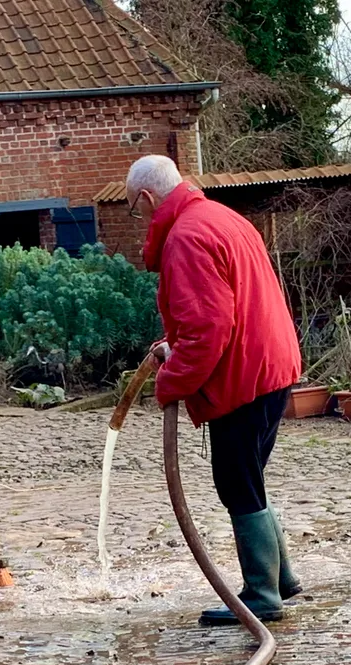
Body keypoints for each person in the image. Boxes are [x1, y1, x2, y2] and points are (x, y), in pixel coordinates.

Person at [126, 155, 302, 626]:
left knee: (236, 481)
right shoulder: (223, 218)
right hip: (271, 366)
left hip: (242, 375)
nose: (139, 219)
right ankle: (282, 578)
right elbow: (226, 305)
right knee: (249, 477)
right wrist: (173, 345)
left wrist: (172, 381)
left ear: (146, 197)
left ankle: (262, 596)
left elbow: (208, 329)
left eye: (134, 209)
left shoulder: (186, 237)